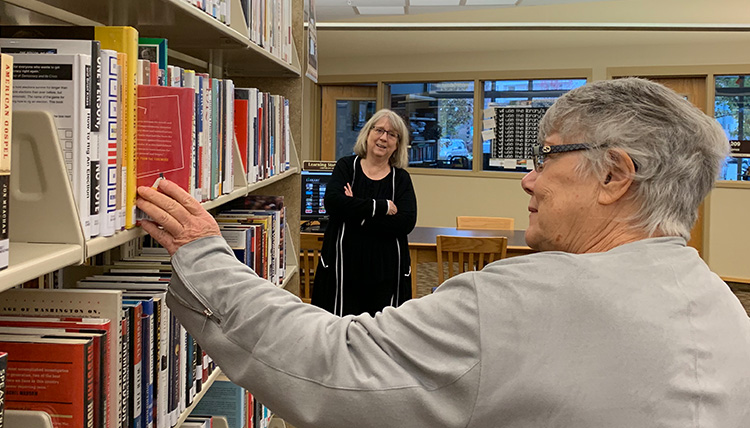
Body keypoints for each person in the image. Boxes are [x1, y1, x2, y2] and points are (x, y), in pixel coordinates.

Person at [136, 78, 750, 428]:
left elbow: (333, 365)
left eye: (547, 156)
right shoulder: (725, 309)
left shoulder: (521, 300)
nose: (528, 179)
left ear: (615, 175)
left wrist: (207, 256)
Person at [311, 109, 417, 316]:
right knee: (340, 333)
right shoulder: (346, 167)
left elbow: (406, 222)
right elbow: (332, 203)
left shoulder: (401, 179)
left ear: (397, 144)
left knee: (381, 337)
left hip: (386, 275)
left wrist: (354, 212)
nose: (383, 138)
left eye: (392, 134)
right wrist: (382, 207)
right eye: (379, 130)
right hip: (342, 273)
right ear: (367, 134)